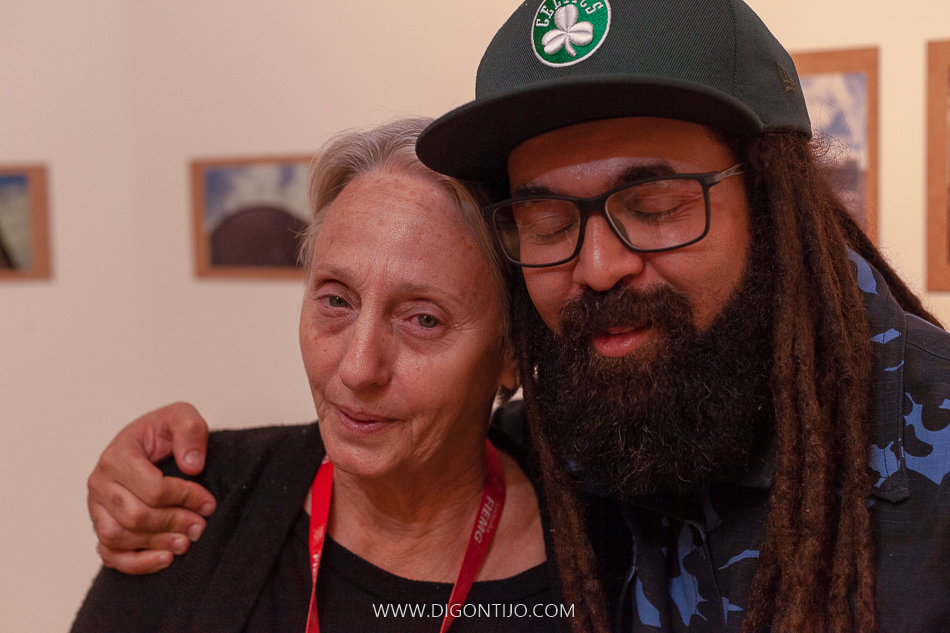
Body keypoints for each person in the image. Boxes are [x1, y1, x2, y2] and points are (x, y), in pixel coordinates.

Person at [85, 1, 950, 632]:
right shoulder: (573, 437)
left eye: (654, 206)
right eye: (547, 220)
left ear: (772, 198)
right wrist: (165, 469)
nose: (598, 266)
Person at [72, 118, 572, 633]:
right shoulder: (191, 508)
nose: (357, 368)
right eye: (336, 300)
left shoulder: (597, 543)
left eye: (424, 320)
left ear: (512, 351)